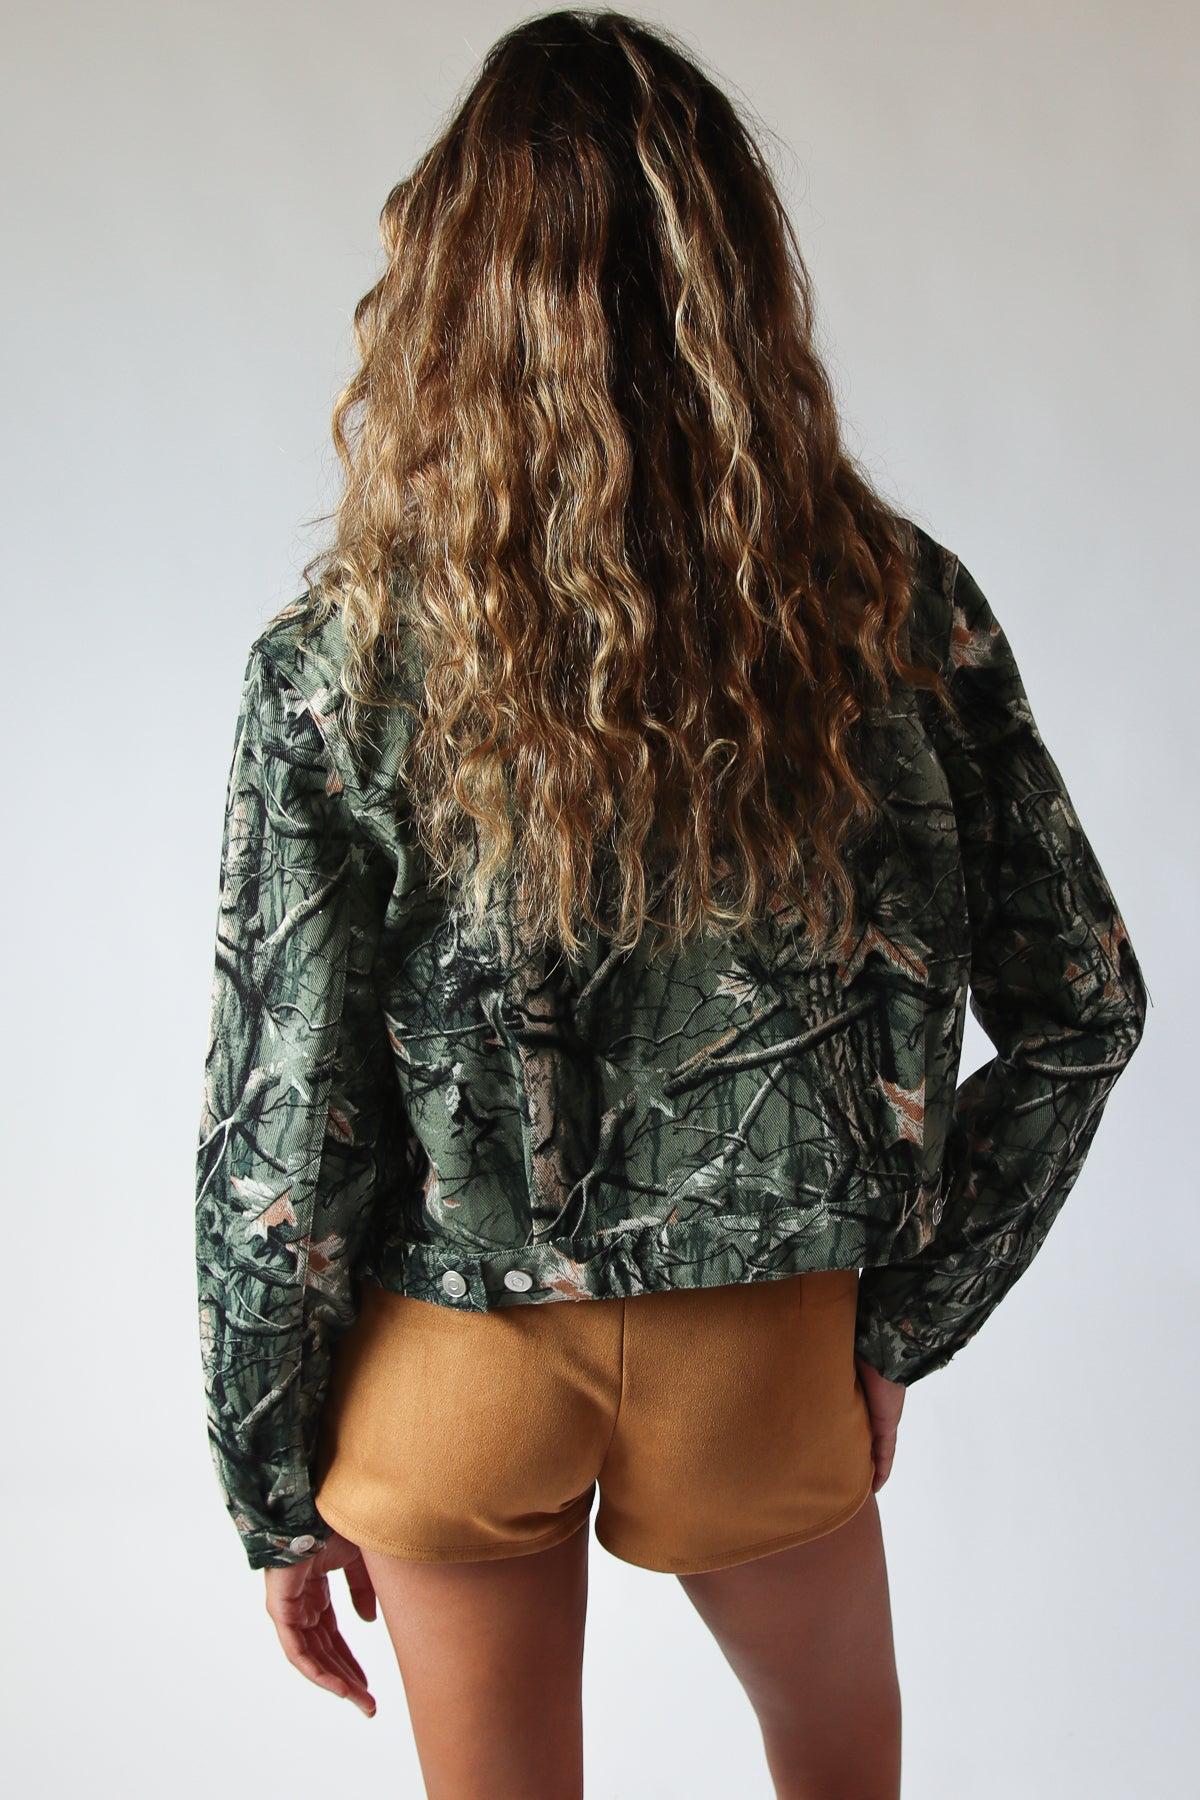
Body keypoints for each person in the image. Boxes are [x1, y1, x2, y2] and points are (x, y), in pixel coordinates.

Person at [193, 10, 1149, 1796]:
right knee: (841, 1775)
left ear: (449, 300)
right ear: (737, 284)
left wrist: (270, 1488)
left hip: (449, 1367)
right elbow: (1087, 1007)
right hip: (759, 1363)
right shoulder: (892, 611)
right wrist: (896, 1322)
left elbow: (281, 1125)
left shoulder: (337, 668)